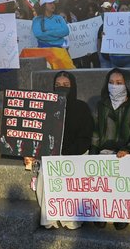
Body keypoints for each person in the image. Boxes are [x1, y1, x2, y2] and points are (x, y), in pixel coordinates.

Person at [35, 71, 93, 230]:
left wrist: (66, 153)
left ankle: (70, 218)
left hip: (76, 153)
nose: (62, 88)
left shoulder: (82, 108)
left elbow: (85, 137)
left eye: (66, 85)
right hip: (52, 153)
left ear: (72, 87)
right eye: (58, 85)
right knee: (45, 172)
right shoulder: (48, 107)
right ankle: (50, 218)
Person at [91, 68, 130, 229]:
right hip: (104, 151)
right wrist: (93, 152)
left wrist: (129, 150)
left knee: (122, 172)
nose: (114, 86)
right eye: (111, 83)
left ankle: (122, 213)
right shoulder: (101, 105)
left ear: (127, 85)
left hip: (125, 152)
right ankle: (100, 211)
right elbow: (95, 133)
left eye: (119, 83)